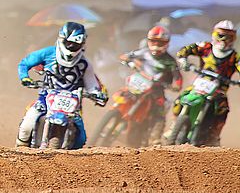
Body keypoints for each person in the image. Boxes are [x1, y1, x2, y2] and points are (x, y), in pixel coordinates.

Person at [15, 21, 107, 149]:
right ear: (62, 39)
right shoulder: (48, 53)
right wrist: (25, 77)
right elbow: (25, 63)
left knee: (81, 139)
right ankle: (20, 151)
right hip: (45, 99)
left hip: (72, 105)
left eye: (75, 44)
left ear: (82, 44)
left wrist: (97, 94)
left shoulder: (84, 64)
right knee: (26, 127)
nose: (71, 46)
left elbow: (91, 84)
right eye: (68, 43)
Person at [162, 20, 240, 146]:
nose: (224, 39)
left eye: (228, 36)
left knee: (223, 109)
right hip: (201, 82)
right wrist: (183, 60)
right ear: (215, 34)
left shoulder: (234, 56)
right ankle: (173, 126)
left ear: (233, 38)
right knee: (181, 98)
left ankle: (215, 135)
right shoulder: (206, 47)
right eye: (221, 35)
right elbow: (185, 50)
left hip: (219, 88)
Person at [115, 25, 182, 142]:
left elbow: (177, 77)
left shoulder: (170, 61)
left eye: (160, 43)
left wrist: (176, 85)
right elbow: (125, 56)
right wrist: (129, 61)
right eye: (153, 41)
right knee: (123, 93)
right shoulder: (144, 52)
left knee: (160, 107)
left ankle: (155, 137)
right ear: (148, 41)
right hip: (140, 82)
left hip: (157, 88)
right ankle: (114, 117)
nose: (156, 45)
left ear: (166, 43)